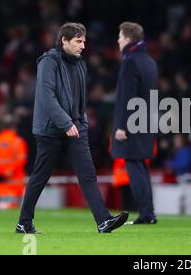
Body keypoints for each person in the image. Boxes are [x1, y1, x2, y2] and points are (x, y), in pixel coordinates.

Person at [16, 23, 129, 234]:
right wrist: (65, 122)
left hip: (76, 127)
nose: (83, 46)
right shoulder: (48, 63)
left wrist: (80, 121)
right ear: (64, 41)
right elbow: (46, 97)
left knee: (88, 174)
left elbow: (78, 98)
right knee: (41, 177)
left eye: (84, 41)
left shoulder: (79, 64)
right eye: (78, 41)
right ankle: (24, 222)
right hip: (50, 130)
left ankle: (103, 221)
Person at [112, 22, 158, 225]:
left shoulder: (131, 61)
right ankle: (148, 213)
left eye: (121, 36)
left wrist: (122, 125)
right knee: (141, 167)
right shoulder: (149, 61)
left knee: (134, 166)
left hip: (132, 123)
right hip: (146, 121)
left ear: (129, 39)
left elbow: (126, 96)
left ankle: (147, 214)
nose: (118, 40)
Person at [0, 114, 27, 209]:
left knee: (1, 208)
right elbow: (21, 161)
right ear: (14, 127)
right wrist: (8, 173)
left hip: (0, 185)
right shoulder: (18, 142)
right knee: (15, 213)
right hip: (15, 185)